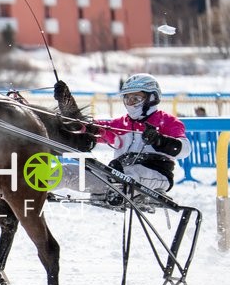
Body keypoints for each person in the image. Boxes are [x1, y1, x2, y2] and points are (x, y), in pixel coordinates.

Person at [55, 73, 191, 203]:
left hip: (157, 176)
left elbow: (185, 150)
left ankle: (118, 190)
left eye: (136, 99)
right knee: (65, 171)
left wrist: (159, 141)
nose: (131, 103)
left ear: (151, 98)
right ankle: (38, 186)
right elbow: (84, 128)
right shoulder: (119, 124)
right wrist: (66, 102)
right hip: (116, 176)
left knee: (130, 173)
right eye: (127, 99)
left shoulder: (168, 122)